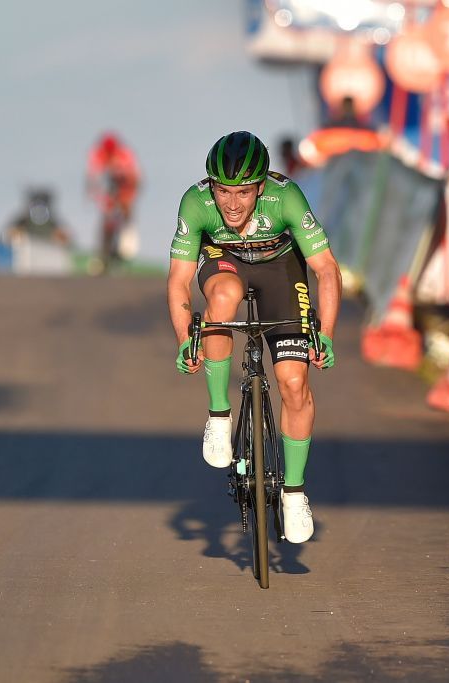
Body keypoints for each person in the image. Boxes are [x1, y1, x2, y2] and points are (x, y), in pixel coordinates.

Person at [166, 131, 342, 543]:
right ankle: (219, 416)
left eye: (243, 193)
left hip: (281, 270)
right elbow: (178, 280)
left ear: (260, 187)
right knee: (223, 298)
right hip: (224, 264)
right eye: (223, 191)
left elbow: (326, 269)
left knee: (294, 384)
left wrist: (327, 334)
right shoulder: (196, 204)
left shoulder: (287, 197)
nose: (231, 203)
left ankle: (294, 493)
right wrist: (184, 339)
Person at [86, 132, 140, 267]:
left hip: (126, 186)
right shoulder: (97, 155)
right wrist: (95, 196)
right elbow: (93, 179)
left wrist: (126, 198)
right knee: (107, 220)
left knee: (126, 213)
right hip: (108, 189)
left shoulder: (124, 155)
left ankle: (125, 248)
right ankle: (103, 253)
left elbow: (133, 178)